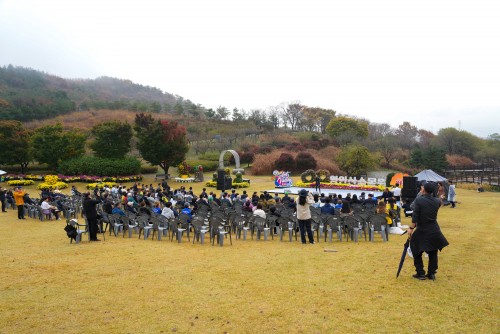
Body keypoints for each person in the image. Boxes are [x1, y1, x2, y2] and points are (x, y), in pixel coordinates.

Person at [408, 182, 449, 280]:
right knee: (433, 251)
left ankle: (420, 272)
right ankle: (431, 273)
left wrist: (411, 228)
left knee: (415, 249)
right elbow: (436, 202)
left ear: (424, 189)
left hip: (422, 228)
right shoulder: (437, 201)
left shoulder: (419, 200)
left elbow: (415, 215)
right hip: (434, 228)